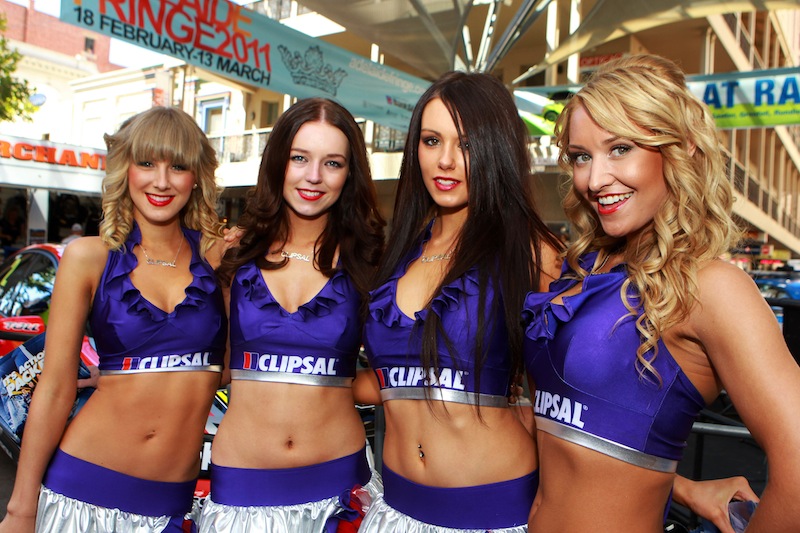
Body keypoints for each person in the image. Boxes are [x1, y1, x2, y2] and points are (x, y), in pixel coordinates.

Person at [523, 54, 800, 532]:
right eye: (583, 156)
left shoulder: (711, 287)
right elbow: (588, 440)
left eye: (620, 148)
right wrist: (684, 487)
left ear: (682, 149)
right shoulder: (581, 269)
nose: (594, 179)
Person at [0, 106, 228, 533]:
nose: (161, 181)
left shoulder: (218, 261)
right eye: (146, 163)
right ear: (125, 170)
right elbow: (54, 386)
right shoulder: (89, 257)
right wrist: (21, 507)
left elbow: (226, 371)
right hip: (82, 491)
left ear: (196, 176)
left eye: (177, 166)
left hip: (172, 505)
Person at [356, 71, 563, 532]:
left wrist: (676, 487)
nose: (445, 161)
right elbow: (392, 379)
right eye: (432, 140)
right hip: (395, 509)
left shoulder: (533, 252)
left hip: (492, 512)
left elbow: (569, 402)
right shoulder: (402, 250)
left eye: (467, 145)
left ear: (497, 149)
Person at [198, 97, 385, 532]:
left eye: (333, 163)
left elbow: (395, 371)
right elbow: (209, 364)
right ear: (278, 161)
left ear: (349, 174)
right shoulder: (232, 253)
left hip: (339, 488)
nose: (313, 176)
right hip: (241, 486)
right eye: (299, 158)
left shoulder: (371, 262)